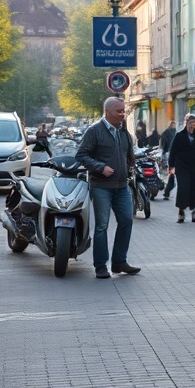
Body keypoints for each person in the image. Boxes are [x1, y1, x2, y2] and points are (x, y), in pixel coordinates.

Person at [75, 97, 140, 279]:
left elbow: (129, 155)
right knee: (102, 226)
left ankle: (119, 262)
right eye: (119, 111)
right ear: (107, 112)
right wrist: (100, 167)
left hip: (122, 186)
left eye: (123, 111)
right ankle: (101, 266)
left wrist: (131, 170)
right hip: (101, 186)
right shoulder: (94, 131)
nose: (122, 114)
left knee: (126, 221)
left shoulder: (123, 132)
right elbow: (81, 155)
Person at [168, 114, 195, 224]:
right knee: (183, 188)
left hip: (194, 167)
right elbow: (173, 152)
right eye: (191, 123)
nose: (192, 126)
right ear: (186, 123)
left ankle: (193, 211)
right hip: (182, 166)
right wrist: (171, 166)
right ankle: (181, 211)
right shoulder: (179, 136)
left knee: (193, 189)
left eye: (194, 124)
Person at [160, 121, 177, 200]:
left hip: (173, 156)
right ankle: (166, 191)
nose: (174, 126)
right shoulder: (167, 132)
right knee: (170, 176)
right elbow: (163, 142)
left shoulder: (176, 133)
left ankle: (166, 191)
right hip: (168, 155)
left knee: (171, 177)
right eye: (172, 124)